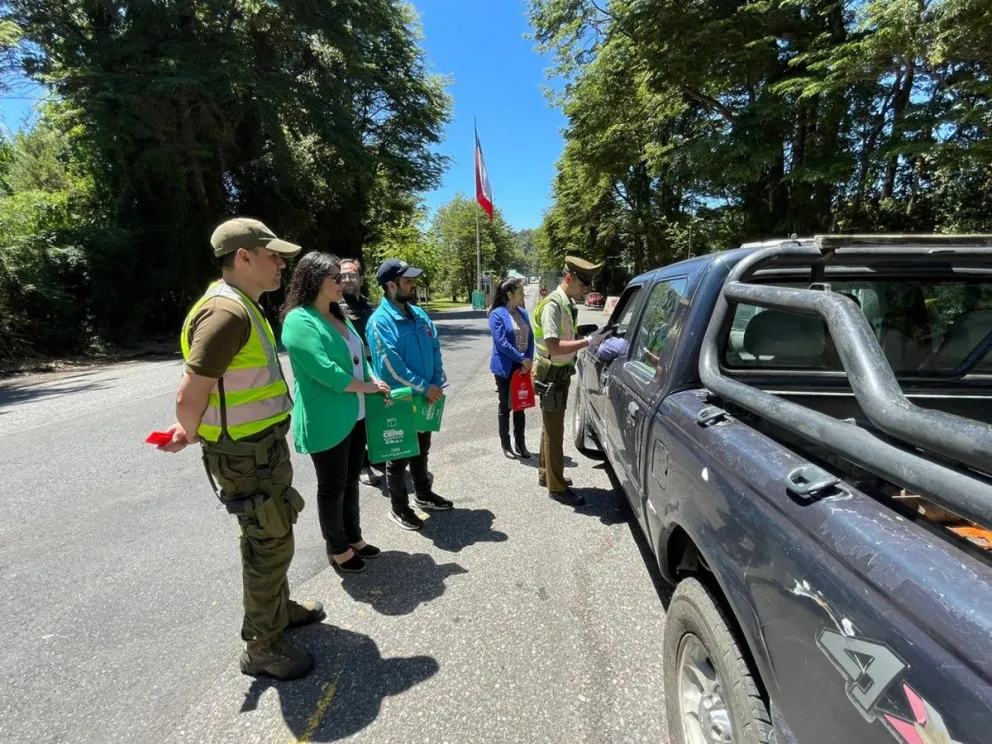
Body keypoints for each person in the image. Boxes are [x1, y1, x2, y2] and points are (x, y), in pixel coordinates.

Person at [159, 217, 323, 681]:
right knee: (266, 542)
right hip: (244, 453)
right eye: (273, 256)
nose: (281, 265)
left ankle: (279, 610)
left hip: (261, 448)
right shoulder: (227, 313)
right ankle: (263, 648)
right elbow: (190, 389)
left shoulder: (243, 305)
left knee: (274, 532)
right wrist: (187, 430)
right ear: (244, 257)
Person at [280, 252, 391, 574]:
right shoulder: (299, 319)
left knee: (351, 481)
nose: (343, 282)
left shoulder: (336, 314)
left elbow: (360, 356)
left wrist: (372, 377)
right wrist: (367, 388)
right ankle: (337, 548)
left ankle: (353, 537)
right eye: (335, 277)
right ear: (313, 280)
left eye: (343, 277)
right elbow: (324, 371)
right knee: (332, 485)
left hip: (353, 413)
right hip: (326, 417)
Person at [367, 258, 453, 531]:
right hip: (401, 399)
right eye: (408, 280)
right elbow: (391, 364)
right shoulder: (380, 322)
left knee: (421, 449)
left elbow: (435, 346)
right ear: (391, 286)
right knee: (399, 456)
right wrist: (423, 386)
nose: (414, 284)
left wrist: (437, 381)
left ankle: (424, 495)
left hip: (426, 394)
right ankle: (399, 508)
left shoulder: (419, 314)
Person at [531, 256, 607, 507]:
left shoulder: (565, 303)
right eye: (583, 283)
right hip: (552, 373)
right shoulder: (554, 304)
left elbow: (564, 335)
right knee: (554, 432)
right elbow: (554, 345)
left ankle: (546, 475)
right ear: (568, 278)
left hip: (558, 372)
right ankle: (557, 487)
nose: (586, 288)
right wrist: (587, 342)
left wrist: (582, 332)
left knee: (549, 429)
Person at [338, 258, 383, 487]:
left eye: (351, 275)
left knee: (373, 415)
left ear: (360, 279)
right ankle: (362, 466)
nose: (347, 279)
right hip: (354, 369)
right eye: (343, 275)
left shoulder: (367, 304)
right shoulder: (335, 307)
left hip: (373, 365)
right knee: (358, 418)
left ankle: (376, 457)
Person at [487, 277, 535, 459]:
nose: (523, 295)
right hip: (506, 367)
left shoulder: (522, 313)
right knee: (506, 406)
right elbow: (501, 343)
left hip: (523, 366)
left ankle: (521, 444)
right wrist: (522, 358)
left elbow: (530, 337)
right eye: (520, 292)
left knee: (520, 406)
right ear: (510, 295)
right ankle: (506, 445)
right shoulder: (497, 314)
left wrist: (529, 358)